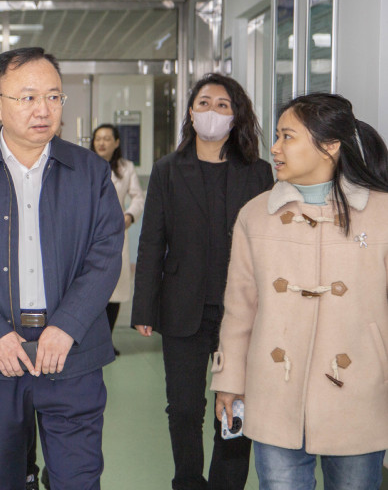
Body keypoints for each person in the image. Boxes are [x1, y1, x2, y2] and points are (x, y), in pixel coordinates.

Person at [0, 47, 124, 490]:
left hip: (72, 354)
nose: (44, 109)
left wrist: (68, 325)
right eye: (28, 97)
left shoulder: (90, 172)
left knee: (77, 478)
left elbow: (105, 252)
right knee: (2, 477)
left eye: (54, 97)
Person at [213, 94, 388, 490]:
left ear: (330, 146)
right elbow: (240, 309)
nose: (274, 148)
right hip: (274, 391)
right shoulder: (255, 215)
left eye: (287, 137)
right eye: (276, 136)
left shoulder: (382, 215)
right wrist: (229, 380)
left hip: (359, 394)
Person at [131, 72, 272, 490]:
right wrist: (144, 307)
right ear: (191, 113)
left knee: (235, 406)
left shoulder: (259, 173)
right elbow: (152, 242)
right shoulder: (168, 170)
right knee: (185, 409)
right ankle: (189, 481)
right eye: (205, 103)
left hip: (243, 312)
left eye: (223, 105)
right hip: (183, 307)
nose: (213, 111)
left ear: (236, 115)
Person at [90, 124, 145, 354]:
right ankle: (92, 342)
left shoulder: (126, 167)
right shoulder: (85, 164)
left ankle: (106, 341)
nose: (101, 143)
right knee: (92, 289)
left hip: (115, 233)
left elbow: (138, 197)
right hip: (89, 234)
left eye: (106, 138)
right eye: (98, 138)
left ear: (117, 142)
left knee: (115, 290)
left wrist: (129, 216)